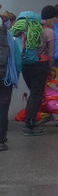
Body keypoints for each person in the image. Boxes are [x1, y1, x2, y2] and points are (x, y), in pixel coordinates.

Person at [11, 6, 56, 136]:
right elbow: (51, 54)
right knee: (36, 95)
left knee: (34, 94)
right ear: (50, 19)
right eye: (54, 19)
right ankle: (29, 125)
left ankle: (32, 121)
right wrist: (50, 69)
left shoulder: (26, 29)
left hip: (25, 65)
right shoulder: (49, 32)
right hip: (40, 65)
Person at [0, 9, 17, 150]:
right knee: (3, 108)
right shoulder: (9, 36)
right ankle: (1, 141)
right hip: (5, 76)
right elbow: (17, 60)